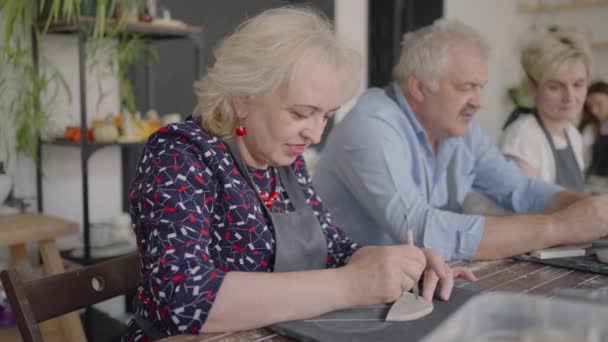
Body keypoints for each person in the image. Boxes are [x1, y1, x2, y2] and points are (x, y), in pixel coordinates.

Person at [122, 7, 475, 341]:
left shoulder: (283, 163)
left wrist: (400, 266)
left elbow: (334, 249)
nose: (316, 135)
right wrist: (351, 285)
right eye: (302, 113)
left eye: (326, 115)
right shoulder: (181, 156)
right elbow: (185, 300)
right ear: (244, 98)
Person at [313, 19, 608, 262]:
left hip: (416, 282)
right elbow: (420, 229)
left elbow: (519, 188)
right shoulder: (372, 127)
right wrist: (560, 226)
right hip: (346, 293)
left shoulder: (458, 130)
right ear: (418, 87)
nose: (478, 102)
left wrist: (589, 207)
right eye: (467, 87)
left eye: (480, 87)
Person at [500, 29, 591, 191]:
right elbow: (524, 209)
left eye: (578, 85)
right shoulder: (522, 137)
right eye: (555, 87)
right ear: (533, 88)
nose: (570, 97)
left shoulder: (573, 135)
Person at [579, 81, 608, 178]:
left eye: (599, 104)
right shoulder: (591, 128)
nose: (594, 110)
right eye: (590, 106)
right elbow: (579, 155)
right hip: (596, 181)